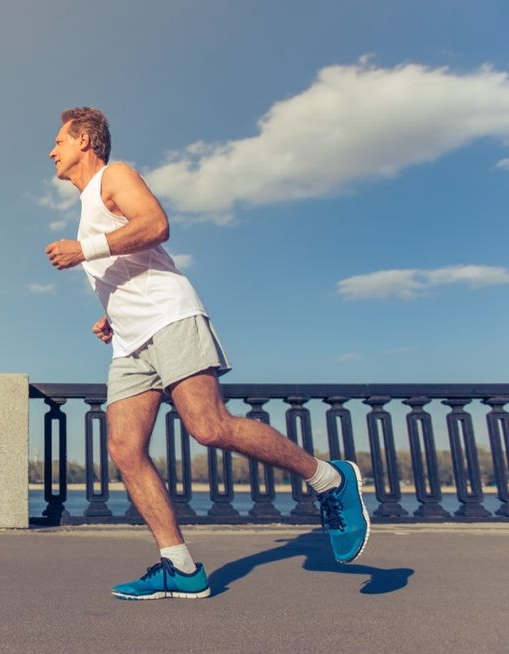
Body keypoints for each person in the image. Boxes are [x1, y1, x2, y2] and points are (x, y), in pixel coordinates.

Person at [44, 107, 370, 600]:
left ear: (86, 140)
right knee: (125, 450)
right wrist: (114, 314)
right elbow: (136, 263)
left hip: (170, 319)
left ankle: (330, 478)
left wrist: (84, 251)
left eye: (60, 141)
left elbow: (155, 224)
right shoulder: (89, 204)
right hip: (133, 342)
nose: (53, 151)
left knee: (209, 426)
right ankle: (180, 567)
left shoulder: (116, 175)